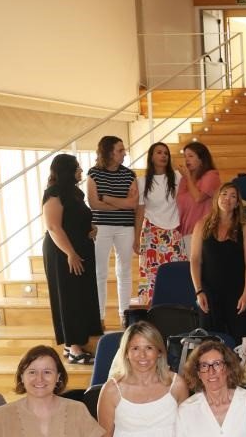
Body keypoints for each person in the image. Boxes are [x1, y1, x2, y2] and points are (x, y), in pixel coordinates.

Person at [41, 153, 102, 365]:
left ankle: (75, 342)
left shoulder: (75, 193)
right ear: (67, 170)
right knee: (68, 296)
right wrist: (70, 253)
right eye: (77, 167)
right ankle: (73, 347)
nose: (81, 171)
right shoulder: (53, 193)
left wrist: (91, 228)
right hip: (63, 253)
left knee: (80, 295)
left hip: (80, 249)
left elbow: (76, 219)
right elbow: (53, 226)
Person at [190, 183, 246, 343]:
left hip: (238, 293)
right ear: (217, 198)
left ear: (237, 203)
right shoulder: (201, 225)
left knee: (241, 343)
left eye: (233, 196)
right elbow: (195, 260)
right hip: (209, 293)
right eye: (224, 194)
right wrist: (199, 291)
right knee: (210, 343)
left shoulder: (245, 227)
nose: (228, 199)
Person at [87, 135, 137, 321]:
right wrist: (122, 204)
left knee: (124, 270)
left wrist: (107, 199)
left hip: (125, 227)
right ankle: (99, 316)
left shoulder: (129, 174)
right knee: (99, 272)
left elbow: (133, 203)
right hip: (101, 227)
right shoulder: (93, 173)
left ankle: (124, 314)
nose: (124, 153)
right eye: (120, 150)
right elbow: (94, 203)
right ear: (109, 152)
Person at [134, 142, 184, 304]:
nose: (163, 156)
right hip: (152, 232)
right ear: (151, 157)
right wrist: (136, 239)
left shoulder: (177, 176)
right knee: (152, 274)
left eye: (166, 153)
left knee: (176, 272)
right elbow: (140, 212)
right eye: (159, 152)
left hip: (174, 231)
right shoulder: (142, 181)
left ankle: (177, 309)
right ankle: (153, 309)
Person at [176, 141, 221, 256]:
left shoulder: (211, 175)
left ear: (201, 159)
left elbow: (198, 198)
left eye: (191, 156)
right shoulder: (184, 179)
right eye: (185, 156)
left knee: (203, 265)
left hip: (204, 231)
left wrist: (188, 178)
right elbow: (179, 203)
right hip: (186, 231)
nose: (187, 160)